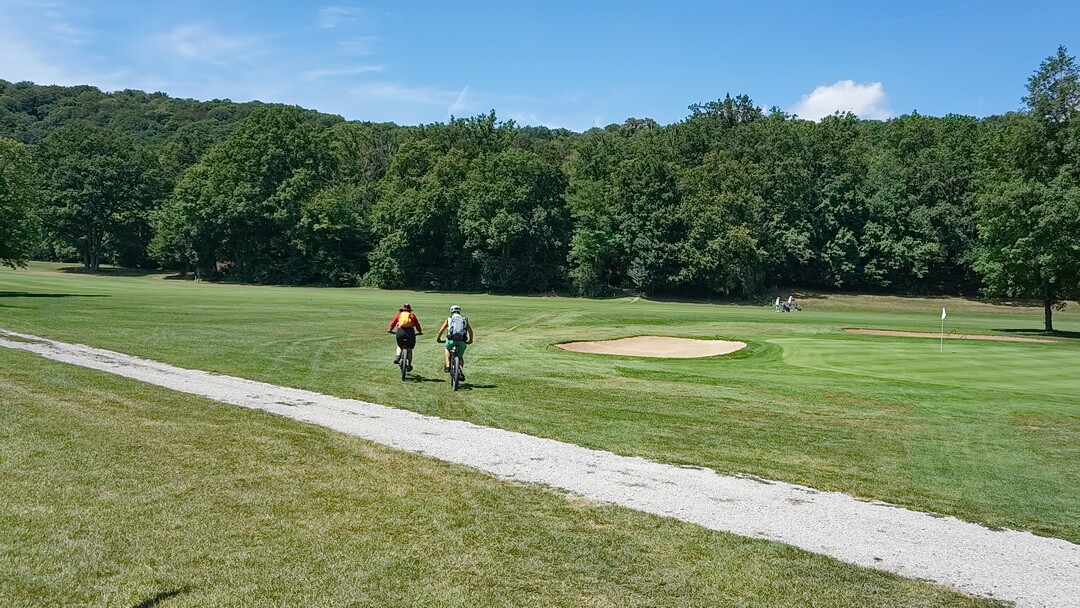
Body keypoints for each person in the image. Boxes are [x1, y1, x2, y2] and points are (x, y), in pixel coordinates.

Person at [436, 305, 473, 381]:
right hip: (462, 340)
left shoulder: (449, 319)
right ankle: (460, 372)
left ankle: (448, 366)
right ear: (459, 311)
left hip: (451, 339)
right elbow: (470, 331)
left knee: (447, 349)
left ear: (451, 311)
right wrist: (470, 340)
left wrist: (438, 338)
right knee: (460, 357)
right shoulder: (464, 319)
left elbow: (441, 330)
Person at [388, 303, 422, 372]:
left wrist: (390, 330)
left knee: (399, 345)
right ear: (410, 310)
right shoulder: (412, 316)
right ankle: (409, 365)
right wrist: (420, 331)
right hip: (410, 333)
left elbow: (393, 323)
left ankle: (397, 357)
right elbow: (417, 325)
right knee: (409, 349)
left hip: (400, 332)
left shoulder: (399, 315)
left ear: (402, 309)